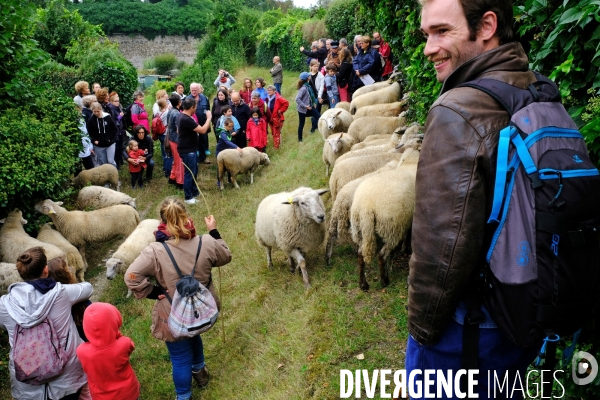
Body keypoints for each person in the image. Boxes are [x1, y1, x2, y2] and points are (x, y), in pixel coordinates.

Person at [406, 0, 541, 396]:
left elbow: (439, 254)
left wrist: (421, 340)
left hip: (467, 333)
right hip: (522, 318)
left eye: (442, 31)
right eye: (426, 34)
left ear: (486, 26)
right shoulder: (535, 89)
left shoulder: (458, 110)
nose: (429, 48)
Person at [125, 199, 232, 399]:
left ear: (162, 220)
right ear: (186, 216)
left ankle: (184, 396)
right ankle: (200, 374)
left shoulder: (155, 252)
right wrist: (214, 231)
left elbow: (130, 277)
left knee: (180, 357)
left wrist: (152, 291)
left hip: (172, 313)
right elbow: (225, 255)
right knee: (193, 334)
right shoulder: (206, 242)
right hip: (201, 310)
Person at [0, 247, 93, 400]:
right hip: (66, 380)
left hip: (28, 386)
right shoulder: (60, 293)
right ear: (46, 269)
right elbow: (88, 288)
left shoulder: (4, 304)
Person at [76, 302, 140, 400]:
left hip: (101, 397)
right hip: (128, 394)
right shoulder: (124, 343)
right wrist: (115, 334)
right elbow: (131, 346)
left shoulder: (81, 351)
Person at [178, 98, 212, 205]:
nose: (196, 108)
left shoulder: (183, 116)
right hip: (188, 150)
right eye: (195, 107)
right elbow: (202, 130)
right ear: (192, 107)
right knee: (190, 173)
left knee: (194, 171)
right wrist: (209, 119)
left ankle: (194, 192)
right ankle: (188, 197)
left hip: (191, 148)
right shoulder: (186, 119)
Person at [86, 101, 117, 167]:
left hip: (110, 143)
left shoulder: (107, 117)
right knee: (103, 162)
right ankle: (105, 176)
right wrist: (94, 140)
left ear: (101, 109)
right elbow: (90, 132)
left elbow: (114, 129)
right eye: (94, 112)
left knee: (111, 161)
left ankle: (114, 175)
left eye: (98, 111)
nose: (96, 113)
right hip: (99, 145)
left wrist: (110, 139)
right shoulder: (91, 120)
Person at [186, 83, 211, 163]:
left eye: (195, 90)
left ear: (198, 89)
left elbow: (207, 109)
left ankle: (203, 158)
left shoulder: (204, 98)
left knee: (203, 140)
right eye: (192, 90)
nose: (194, 92)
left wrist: (207, 118)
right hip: (192, 124)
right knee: (193, 141)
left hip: (203, 123)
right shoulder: (187, 99)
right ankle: (194, 159)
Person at [295, 72, 321, 143]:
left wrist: (314, 103)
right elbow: (297, 99)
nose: (310, 76)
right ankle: (300, 140)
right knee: (301, 124)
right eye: (309, 76)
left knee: (319, 117)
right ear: (307, 78)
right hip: (303, 109)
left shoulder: (308, 86)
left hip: (310, 107)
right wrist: (305, 106)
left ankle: (314, 130)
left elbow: (311, 96)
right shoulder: (303, 88)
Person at [167, 94, 184, 189]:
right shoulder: (177, 114)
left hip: (170, 138)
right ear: (178, 103)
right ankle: (180, 182)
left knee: (175, 160)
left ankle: (172, 177)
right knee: (179, 161)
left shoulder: (170, 111)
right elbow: (179, 130)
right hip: (176, 140)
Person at [265, 85, 289, 149]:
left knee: (276, 133)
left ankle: (276, 148)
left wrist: (281, 110)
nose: (268, 91)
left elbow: (286, 103)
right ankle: (277, 145)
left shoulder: (278, 98)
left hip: (277, 118)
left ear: (274, 91)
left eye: (270, 90)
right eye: (268, 90)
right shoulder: (267, 98)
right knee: (273, 133)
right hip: (270, 118)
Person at [155, 97, 171, 177]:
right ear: (165, 104)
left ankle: (164, 168)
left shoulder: (158, 112)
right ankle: (167, 170)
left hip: (160, 134)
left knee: (163, 151)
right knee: (168, 153)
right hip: (165, 134)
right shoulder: (167, 112)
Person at [109, 91, 126, 168]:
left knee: (120, 147)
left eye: (118, 101)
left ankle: (120, 161)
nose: (117, 102)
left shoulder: (118, 107)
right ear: (111, 102)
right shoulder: (112, 108)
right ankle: (117, 164)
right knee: (116, 148)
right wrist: (119, 117)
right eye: (115, 101)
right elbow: (113, 121)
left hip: (121, 131)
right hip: (116, 132)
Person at [308, 59, 324, 133]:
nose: (316, 68)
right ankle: (316, 126)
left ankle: (313, 129)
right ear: (311, 66)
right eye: (314, 66)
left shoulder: (320, 75)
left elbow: (321, 86)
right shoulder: (308, 75)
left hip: (317, 96)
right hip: (310, 97)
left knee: (316, 111)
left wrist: (319, 96)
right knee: (313, 113)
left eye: (317, 66)